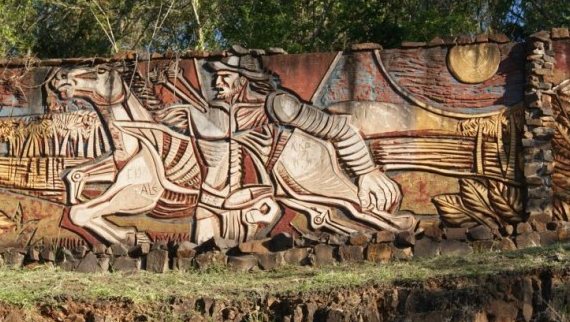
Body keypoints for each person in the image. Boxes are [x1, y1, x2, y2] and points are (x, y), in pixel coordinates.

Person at [158, 54, 404, 244]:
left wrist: (366, 170)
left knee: (357, 207)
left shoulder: (279, 105)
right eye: (215, 76)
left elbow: (335, 128)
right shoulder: (222, 114)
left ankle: (400, 229)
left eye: (225, 77)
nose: (216, 83)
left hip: (300, 163)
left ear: (243, 79)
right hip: (258, 184)